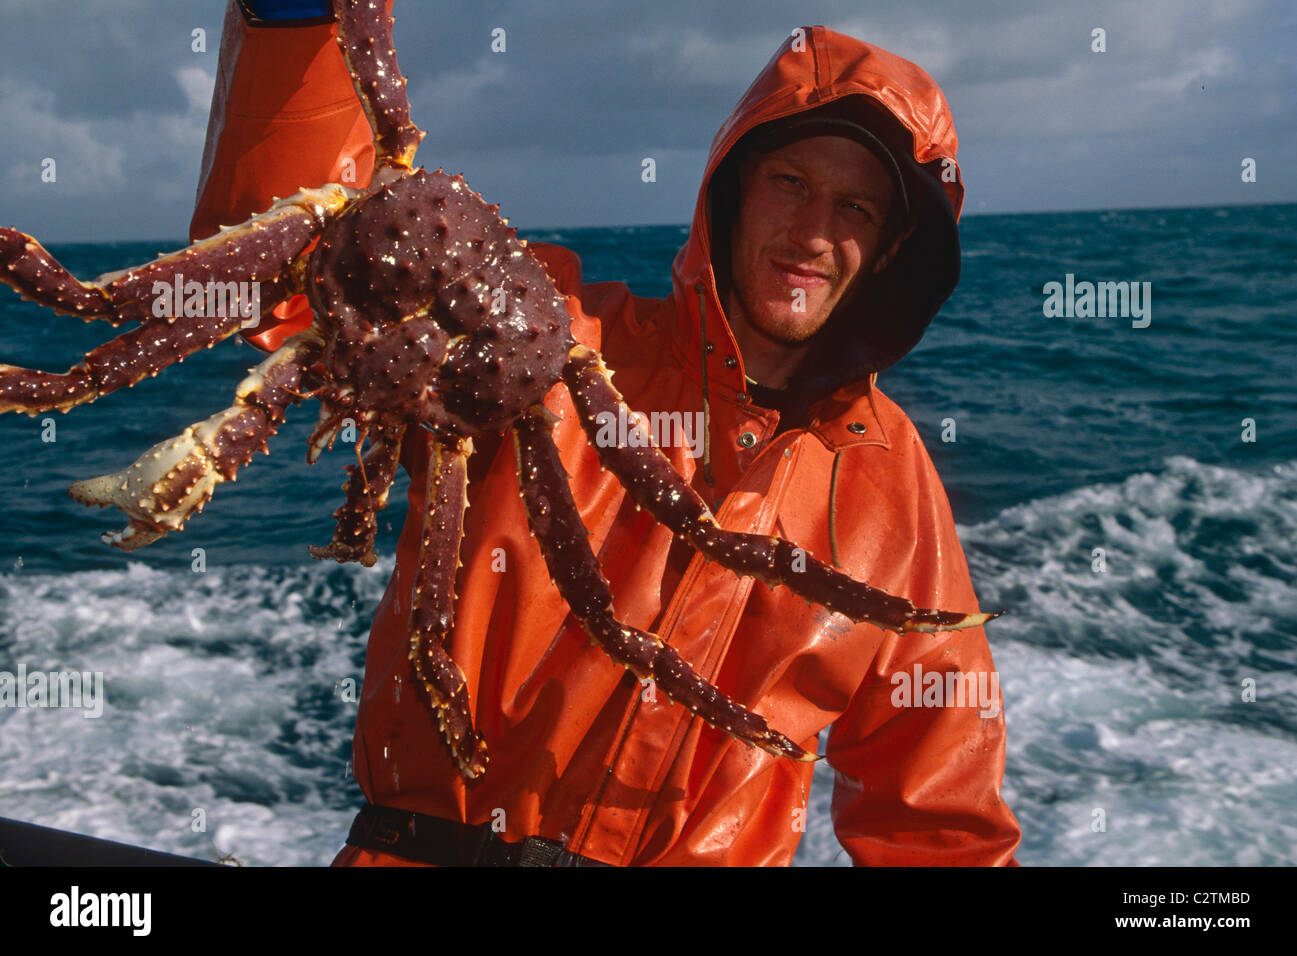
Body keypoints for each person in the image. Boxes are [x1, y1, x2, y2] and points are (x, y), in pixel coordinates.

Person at [194, 1, 1021, 866]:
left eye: (856, 206)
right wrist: (295, 20)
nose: (814, 233)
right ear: (730, 194)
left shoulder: (893, 492)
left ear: (890, 249)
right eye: (790, 183)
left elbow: (939, 823)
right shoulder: (546, 331)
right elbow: (293, 279)